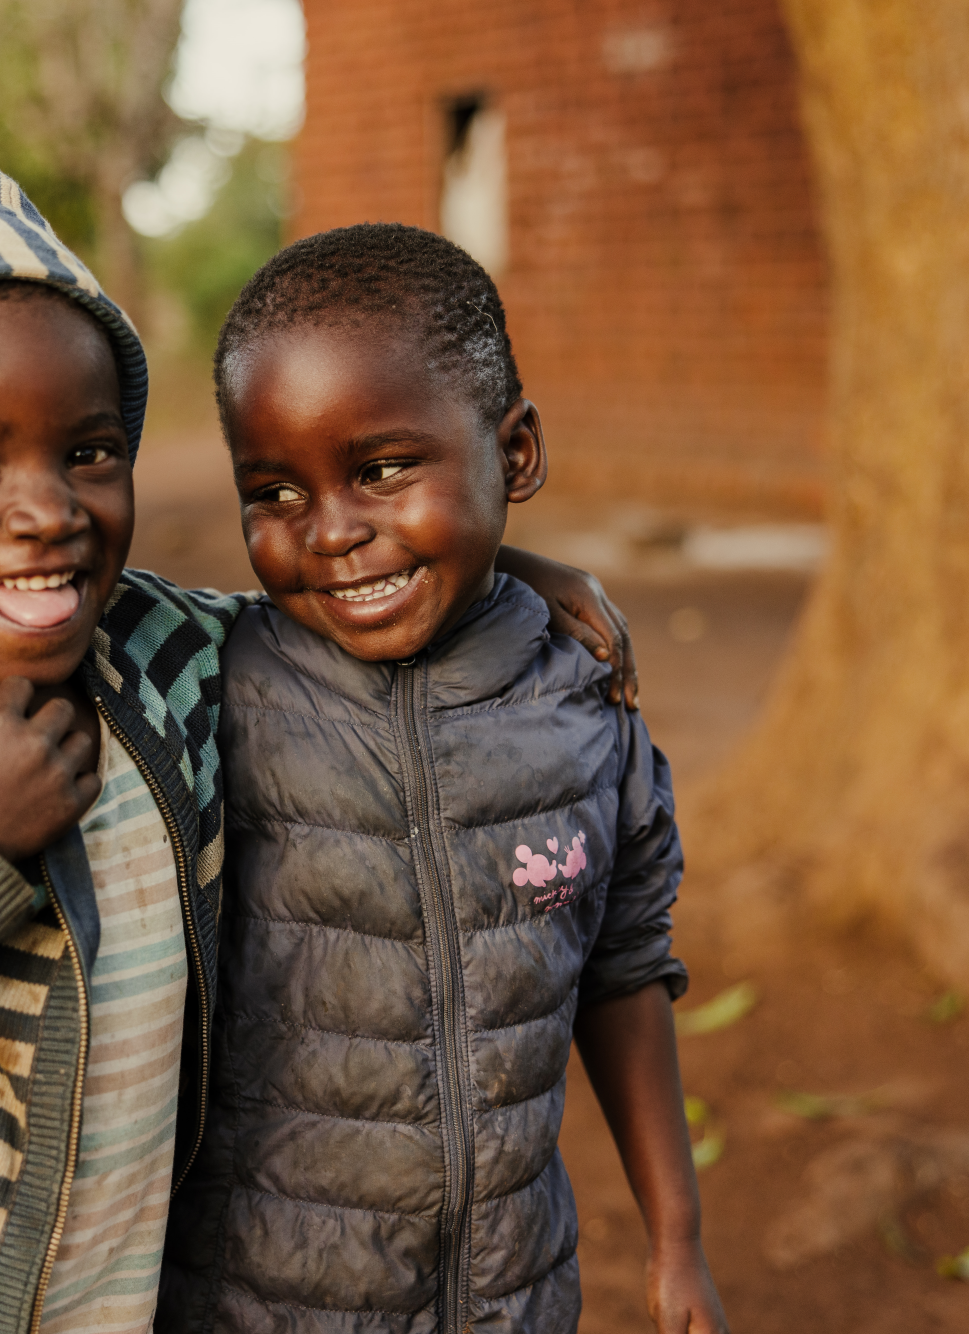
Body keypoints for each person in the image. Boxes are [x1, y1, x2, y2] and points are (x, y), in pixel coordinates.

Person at [0, 171, 635, 1334]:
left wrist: (493, 578)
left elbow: (332, 593)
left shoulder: (152, 651)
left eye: (88, 452)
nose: (47, 510)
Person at [158, 224, 729, 1334]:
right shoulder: (212, 685)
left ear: (514, 454)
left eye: (378, 471)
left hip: (510, 1296)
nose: (329, 532)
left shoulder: (584, 707)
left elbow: (623, 971)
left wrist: (676, 1237)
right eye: (272, 491)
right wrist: (482, 546)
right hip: (253, 1302)